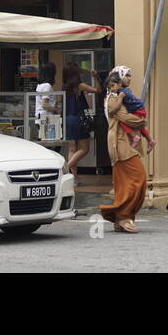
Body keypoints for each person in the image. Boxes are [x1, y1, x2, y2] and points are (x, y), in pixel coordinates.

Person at [98, 66, 148, 234]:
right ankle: (123, 215)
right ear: (117, 81)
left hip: (123, 143)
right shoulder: (113, 98)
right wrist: (142, 121)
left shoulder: (120, 97)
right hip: (119, 145)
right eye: (126, 75)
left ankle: (123, 218)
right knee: (138, 177)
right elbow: (126, 118)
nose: (129, 78)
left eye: (130, 75)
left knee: (126, 182)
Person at [62, 62, 100, 177]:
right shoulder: (79, 85)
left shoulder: (64, 86)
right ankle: (65, 170)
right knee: (84, 149)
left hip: (68, 118)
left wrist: (87, 71)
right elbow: (97, 90)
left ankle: (72, 178)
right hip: (78, 118)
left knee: (72, 149)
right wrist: (95, 76)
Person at [113, 73, 157, 153]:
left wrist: (112, 111)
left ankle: (134, 137)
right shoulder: (127, 90)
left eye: (112, 86)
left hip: (138, 111)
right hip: (141, 109)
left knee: (123, 122)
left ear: (118, 83)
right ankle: (150, 141)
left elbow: (118, 105)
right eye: (127, 76)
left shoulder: (122, 93)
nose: (112, 89)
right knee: (140, 126)